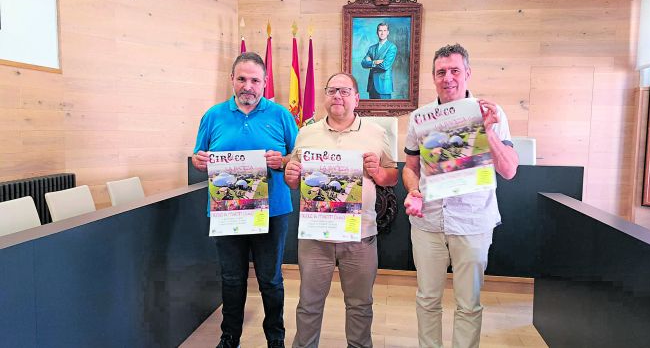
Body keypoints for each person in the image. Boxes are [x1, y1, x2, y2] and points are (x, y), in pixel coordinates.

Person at [402, 44, 519, 348]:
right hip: (428, 222)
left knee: (469, 303)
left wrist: (488, 131)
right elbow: (410, 167)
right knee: (427, 299)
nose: (448, 78)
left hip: (473, 221)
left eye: (455, 70)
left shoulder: (490, 112)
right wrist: (413, 189)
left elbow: (508, 170)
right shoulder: (420, 117)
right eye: (441, 72)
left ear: (467, 73)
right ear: (433, 77)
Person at [192, 52, 298, 348]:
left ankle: (275, 340)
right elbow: (197, 155)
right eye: (242, 79)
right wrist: (198, 160)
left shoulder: (281, 115)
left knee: (271, 280)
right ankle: (229, 339)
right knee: (232, 279)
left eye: (254, 80)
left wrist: (284, 159)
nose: (247, 86)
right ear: (232, 80)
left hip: (272, 212)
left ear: (264, 83)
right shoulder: (213, 116)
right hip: (228, 212)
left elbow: (298, 158)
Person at [284, 72, 398, 348]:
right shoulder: (306, 133)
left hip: (360, 236)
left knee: (360, 305)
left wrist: (379, 173)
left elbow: (392, 175)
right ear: (325, 96)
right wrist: (291, 176)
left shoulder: (377, 133)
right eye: (332, 90)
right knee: (308, 305)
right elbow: (295, 181)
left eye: (345, 91)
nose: (338, 96)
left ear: (357, 98)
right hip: (315, 237)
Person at [360, 22, 398, 99]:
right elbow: (363, 63)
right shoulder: (372, 48)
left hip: (383, 85)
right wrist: (374, 62)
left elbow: (385, 65)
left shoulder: (391, 47)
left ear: (388, 32)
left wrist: (370, 63)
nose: (382, 33)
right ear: (377, 32)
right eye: (380, 30)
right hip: (372, 85)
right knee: (371, 109)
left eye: (384, 30)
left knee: (385, 110)